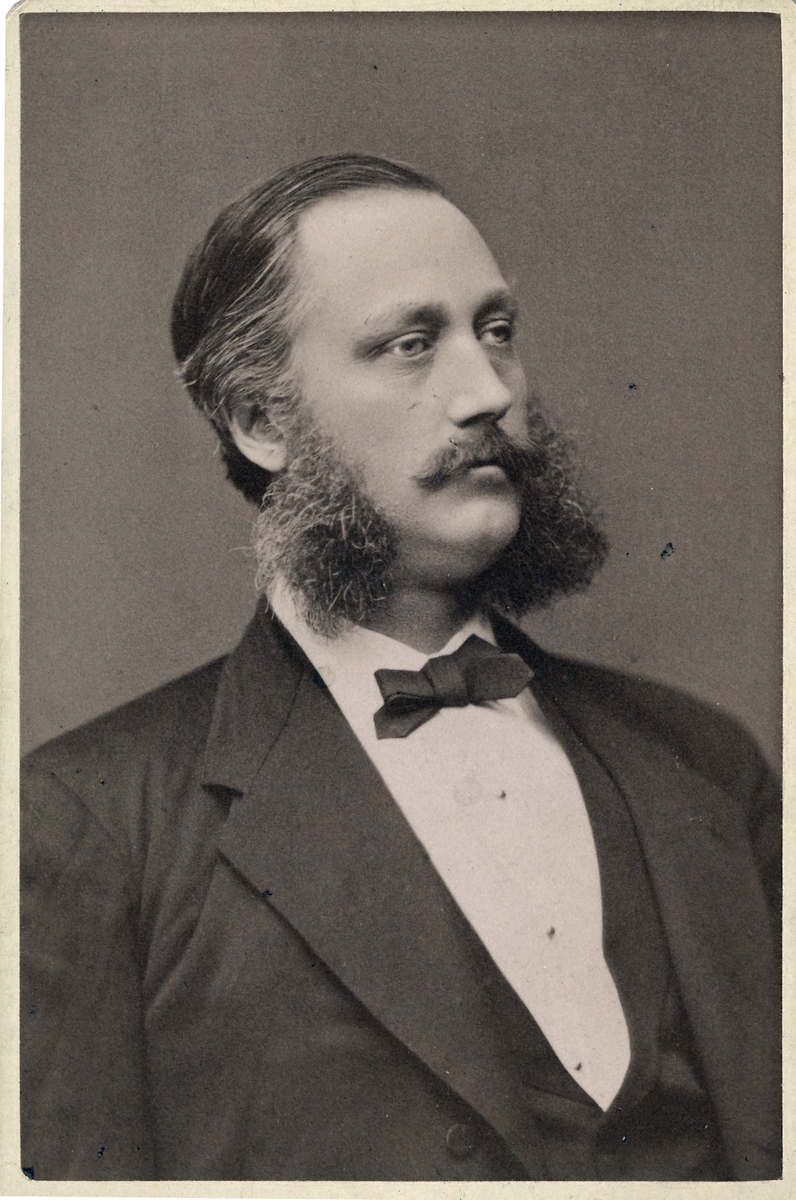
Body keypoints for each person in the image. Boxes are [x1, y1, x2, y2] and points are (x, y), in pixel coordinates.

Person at [20, 153, 781, 1182]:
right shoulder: (93, 823)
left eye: (496, 331)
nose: (488, 392)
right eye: (410, 345)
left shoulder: (706, 765)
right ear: (261, 423)